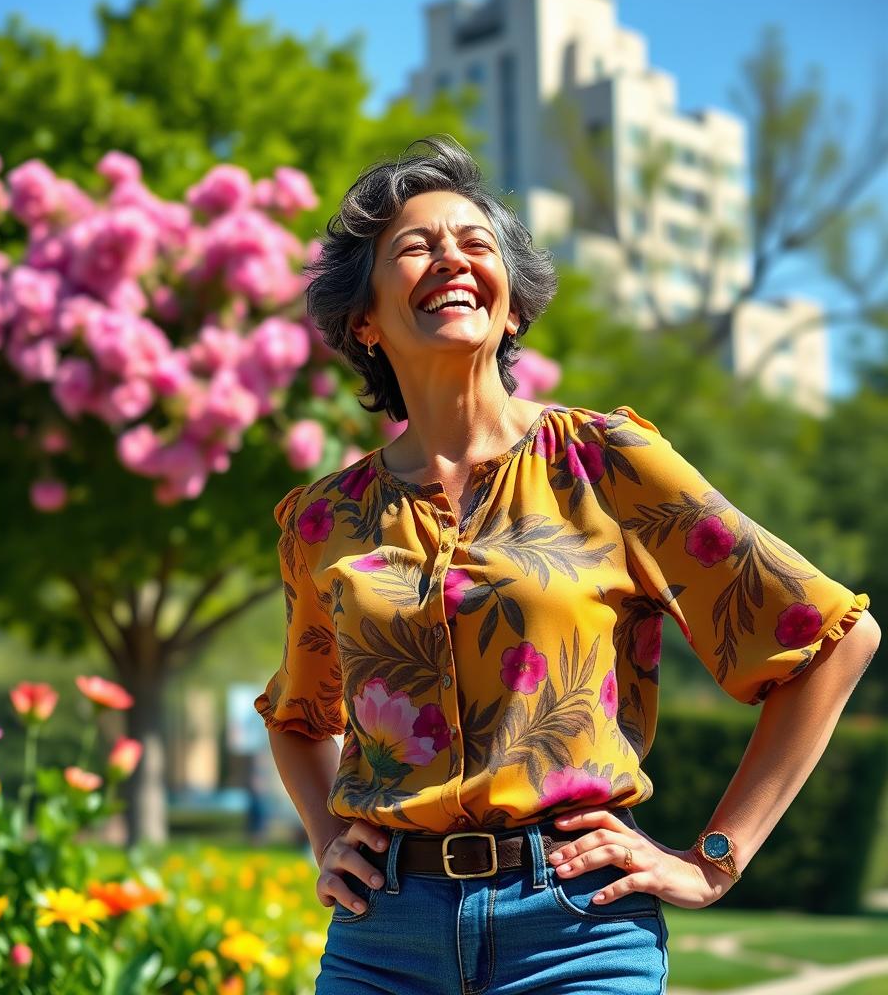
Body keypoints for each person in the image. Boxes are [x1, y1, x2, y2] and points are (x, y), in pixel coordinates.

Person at [253, 135, 880, 994]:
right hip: (382, 938)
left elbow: (832, 639)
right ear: (363, 321)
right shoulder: (323, 521)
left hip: (578, 928)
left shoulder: (608, 462)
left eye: (476, 243)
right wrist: (329, 842)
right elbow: (297, 715)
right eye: (415, 245)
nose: (452, 258)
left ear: (510, 308)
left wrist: (715, 859)